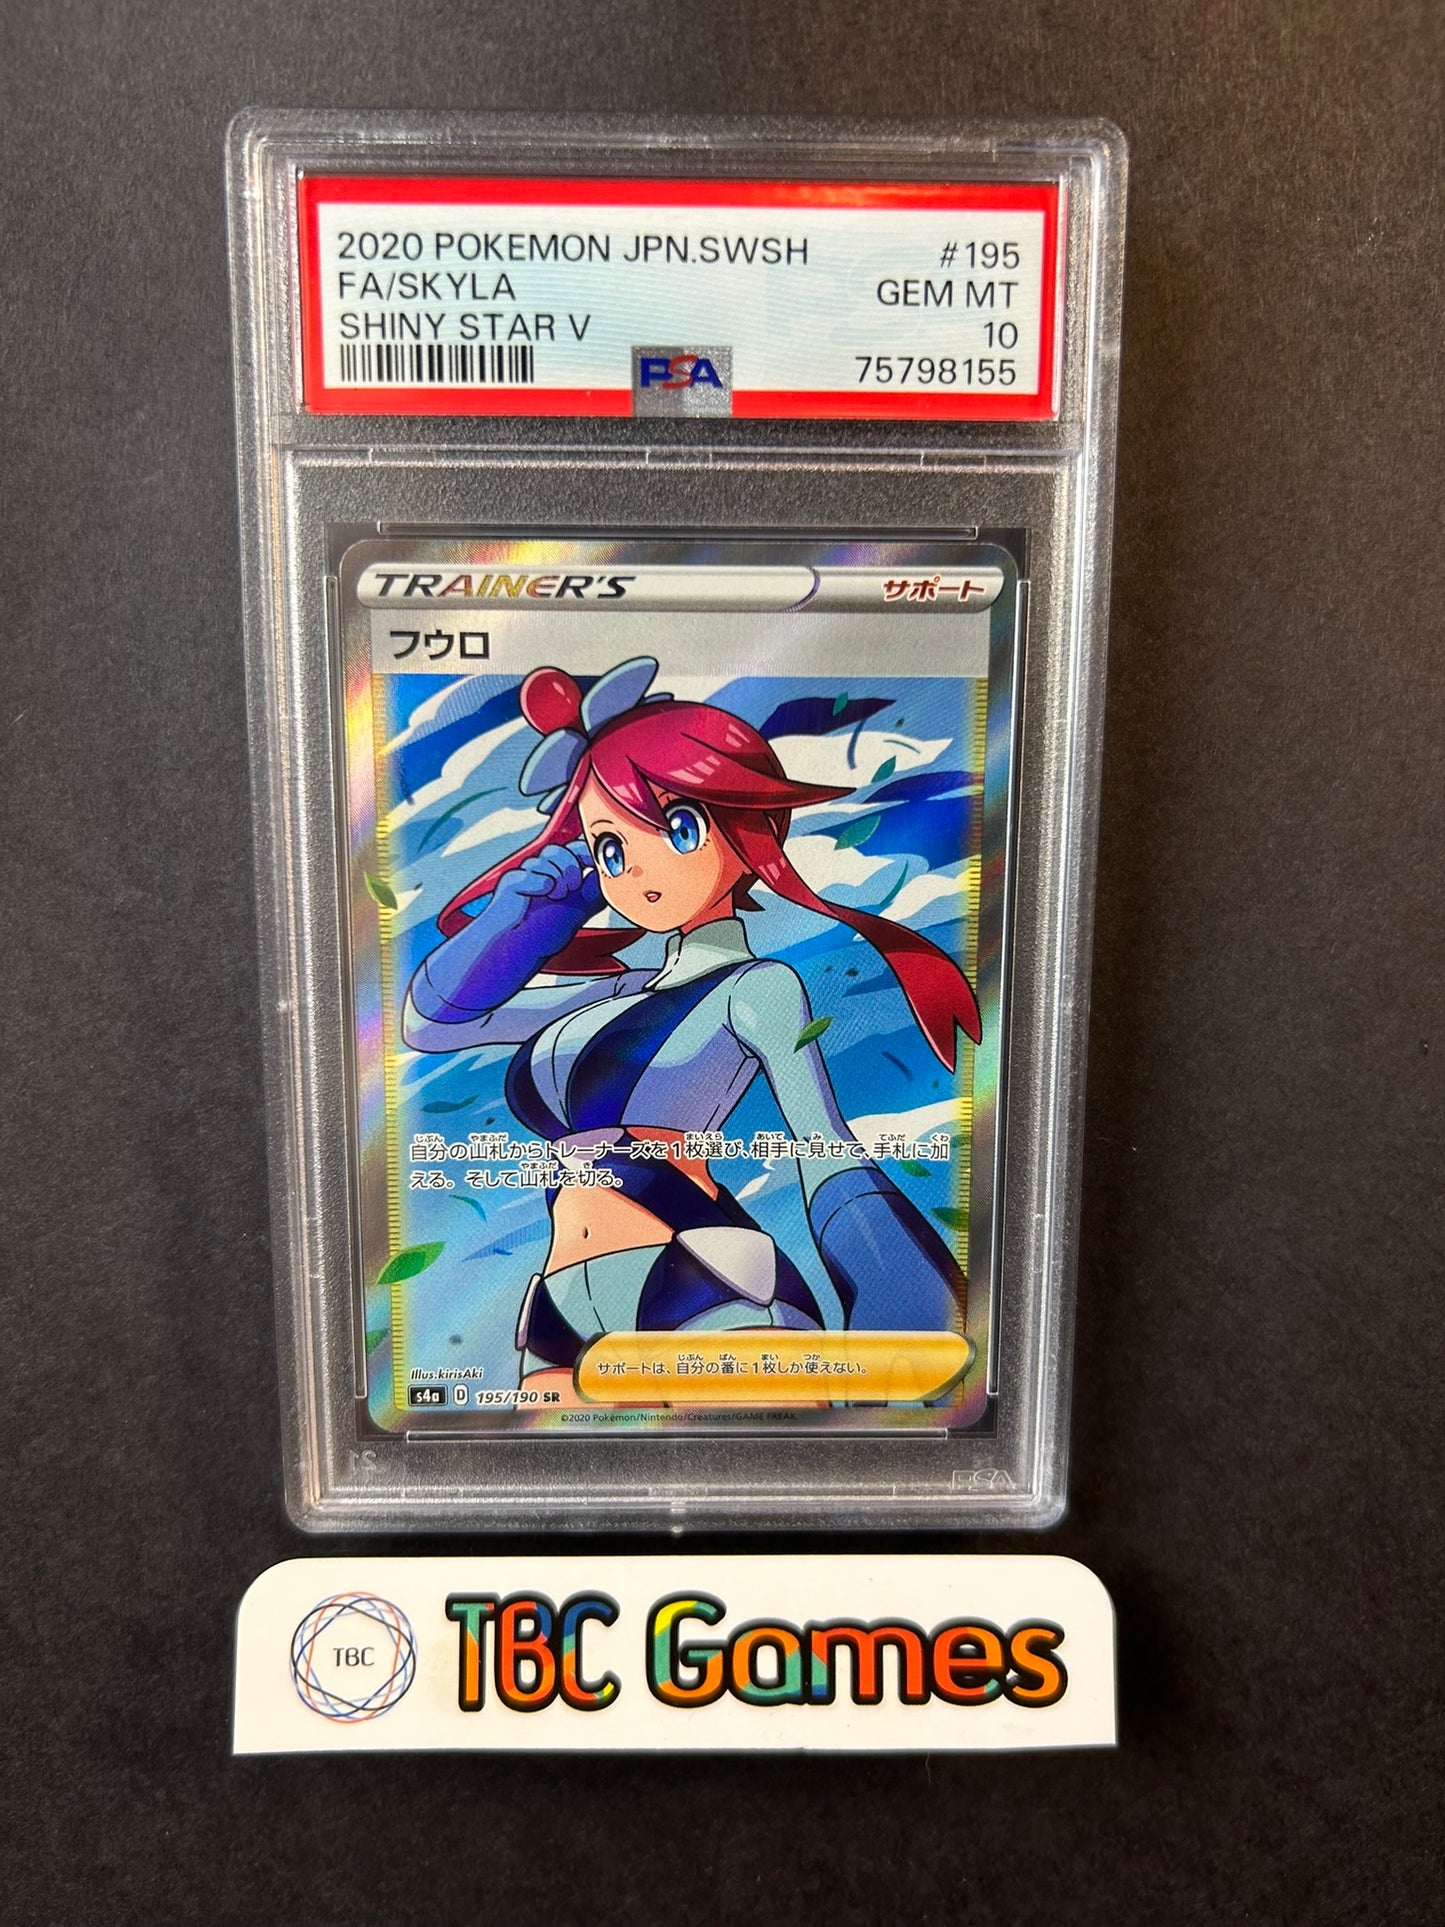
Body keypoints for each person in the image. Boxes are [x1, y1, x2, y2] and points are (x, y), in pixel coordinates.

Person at [402, 657, 981, 1393]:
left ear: (744, 825)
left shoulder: (755, 987)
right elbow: (431, 1024)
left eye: (677, 827)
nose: (635, 868)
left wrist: (904, 1305)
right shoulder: (604, 998)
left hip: (699, 1274)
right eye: (610, 847)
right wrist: (515, 928)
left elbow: (823, 1144)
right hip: (560, 1302)